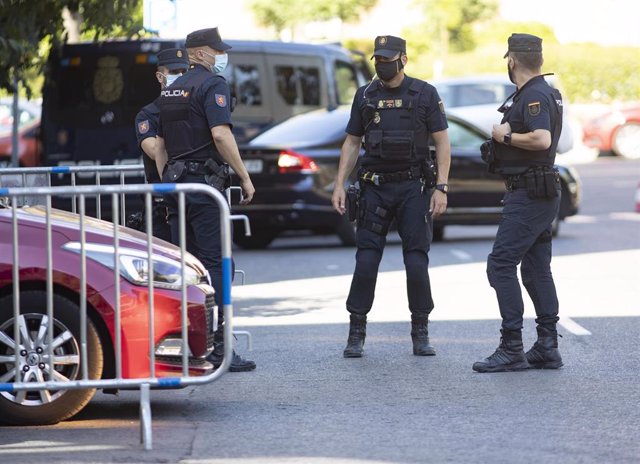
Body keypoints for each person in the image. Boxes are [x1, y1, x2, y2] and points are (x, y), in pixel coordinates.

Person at [331, 35, 451, 358]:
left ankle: (420, 332)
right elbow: (352, 143)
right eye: (378, 59)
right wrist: (339, 184)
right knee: (366, 261)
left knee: (416, 262)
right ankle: (356, 333)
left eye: (388, 58)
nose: (382, 64)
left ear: (404, 59)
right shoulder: (365, 96)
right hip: (374, 188)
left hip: (413, 188)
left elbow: (442, 142)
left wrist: (441, 187)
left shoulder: (425, 94)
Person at [155, 27, 256, 372]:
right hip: (205, 187)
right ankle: (219, 350)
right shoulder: (213, 85)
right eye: (215, 50)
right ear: (197, 53)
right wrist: (243, 175)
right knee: (215, 267)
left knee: (187, 266)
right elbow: (220, 134)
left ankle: (190, 347)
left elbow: (163, 145)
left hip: (178, 187)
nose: (220, 56)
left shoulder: (171, 91)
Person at [472, 33, 564, 373]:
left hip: (529, 194)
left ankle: (511, 346)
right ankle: (547, 345)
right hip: (536, 192)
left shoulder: (536, 94)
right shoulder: (537, 92)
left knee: (500, 264)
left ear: (511, 61)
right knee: (536, 267)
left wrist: (505, 135)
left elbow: (542, 139)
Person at [133, 47, 188, 241]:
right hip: (162, 202)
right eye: (174, 73)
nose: (180, 77)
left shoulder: (195, 109)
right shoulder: (147, 115)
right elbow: (155, 151)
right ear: (160, 77)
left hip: (192, 195)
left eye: (184, 72)